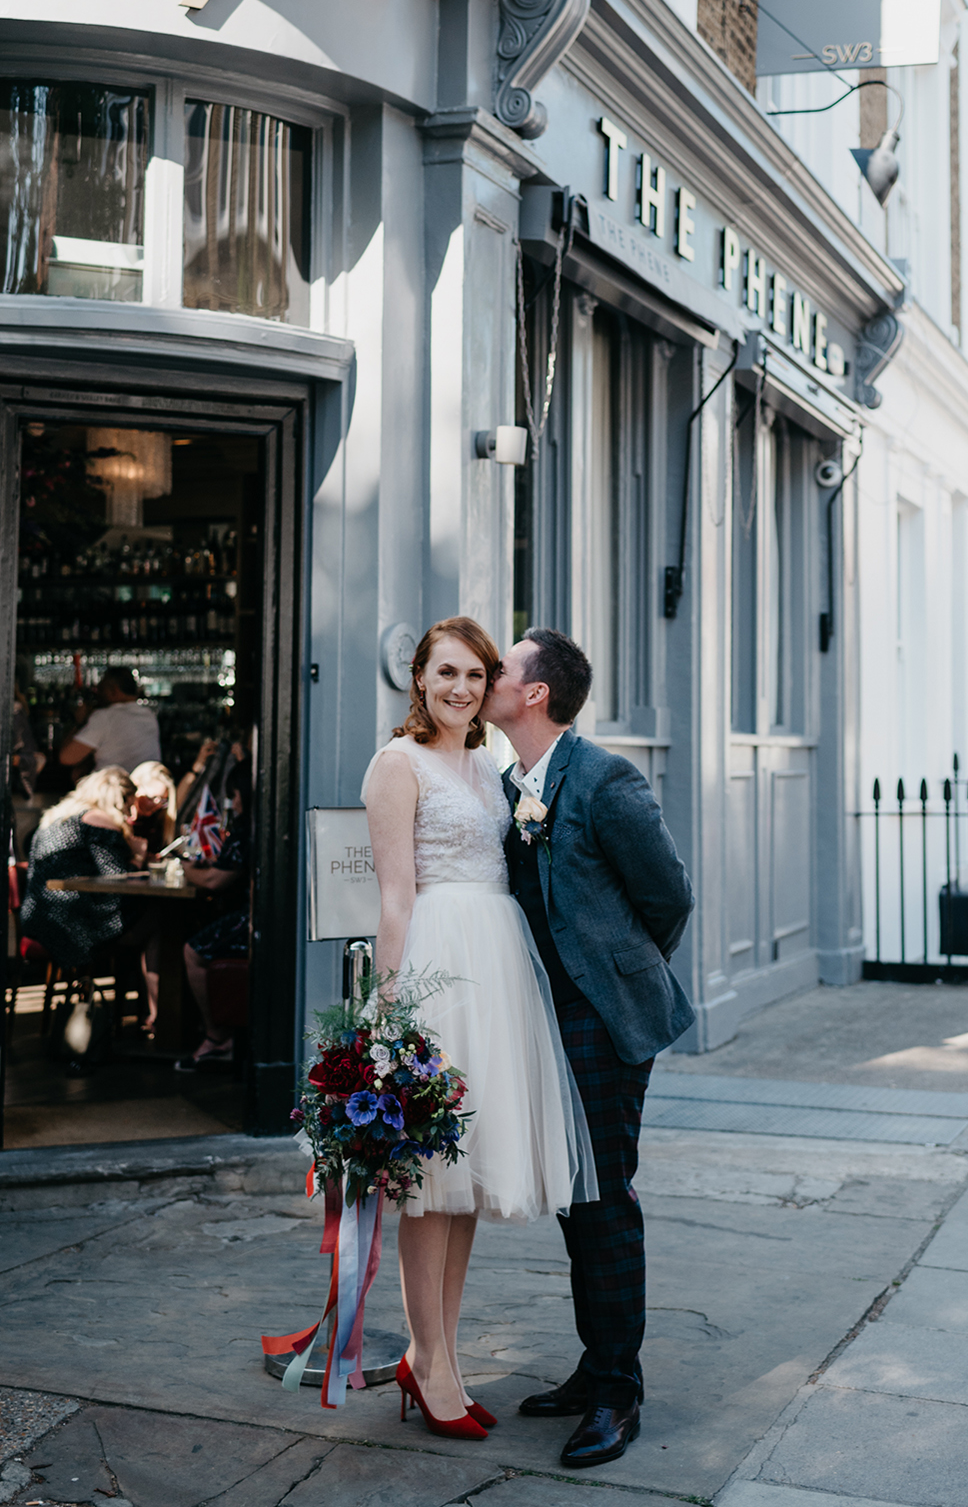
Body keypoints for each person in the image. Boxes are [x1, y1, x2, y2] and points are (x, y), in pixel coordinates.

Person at [362, 616, 595, 1444]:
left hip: (499, 969)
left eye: (475, 675)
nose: (461, 688)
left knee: (457, 1184)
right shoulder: (398, 764)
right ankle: (425, 1362)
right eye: (446, 673)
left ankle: (441, 1357)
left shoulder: (490, 764)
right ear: (418, 678)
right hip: (438, 971)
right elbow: (393, 896)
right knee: (427, 1185)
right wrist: (388, 1014)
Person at [485, 628, 695, 1470]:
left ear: (534, 693)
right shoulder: (505, 784)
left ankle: (618, 1391)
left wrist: (615, 979)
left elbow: (668, 897)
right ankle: (593, 1365)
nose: (489, 677)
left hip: (601, 1019)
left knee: (604, 1198)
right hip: (535, 1016)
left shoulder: (605, 778)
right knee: (573, 1198)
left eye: (501, 667)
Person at [20, 766, 161, 1029]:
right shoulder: (99, 820)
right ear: (117, 800)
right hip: (72, 924)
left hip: (38, 918)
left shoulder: (56, 815)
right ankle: (159, 1014)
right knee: (160, 920)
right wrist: (139, 856)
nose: (131, 815)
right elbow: (117, 878)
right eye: (128, 806)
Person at [175, 764, 253, 1071]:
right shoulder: (253, 827)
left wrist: (184, 867)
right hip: (248, 913)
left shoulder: (244, 829)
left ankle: (217, 1035)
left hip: (248, 917)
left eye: (234, 796)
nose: (232, 803)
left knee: (192, 952)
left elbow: (213, 881)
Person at [59, 667, 161, 772]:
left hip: (113, 784)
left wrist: (79, 722)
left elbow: (67, 758)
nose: (98, 694)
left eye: (101, 689)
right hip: (146, 782)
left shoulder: (105, 716)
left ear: (114, 690)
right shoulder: (149, 715)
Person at [130, 760, 177, 854]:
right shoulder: (120, 818)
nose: (158, 804)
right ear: (135, 788)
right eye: (152, 798)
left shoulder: (157, 819)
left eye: (163, 800)